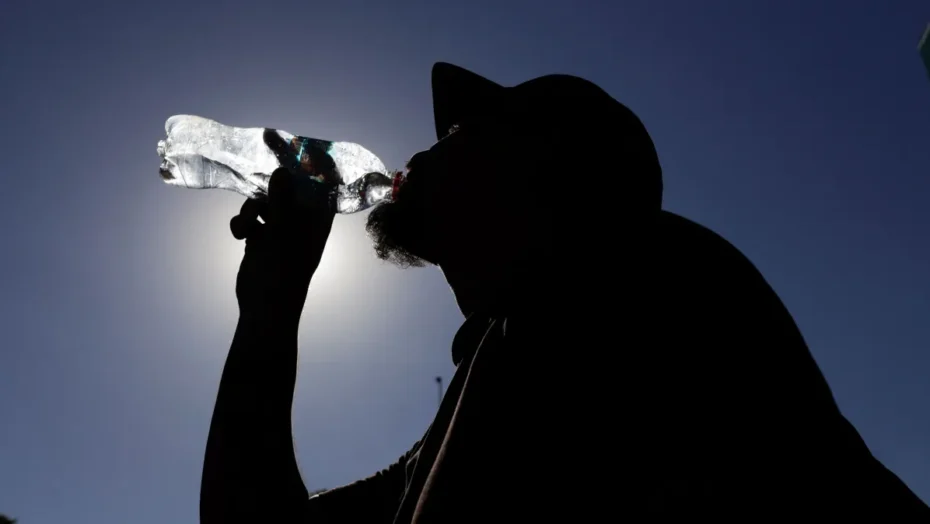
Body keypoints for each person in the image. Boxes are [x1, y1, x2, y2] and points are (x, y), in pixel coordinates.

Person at [200, 62, 930, 523]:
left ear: (549, 172)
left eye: (461, 129)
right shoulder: (493, 369)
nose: (422, 147)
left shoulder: (651, 285)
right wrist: (271, 304)